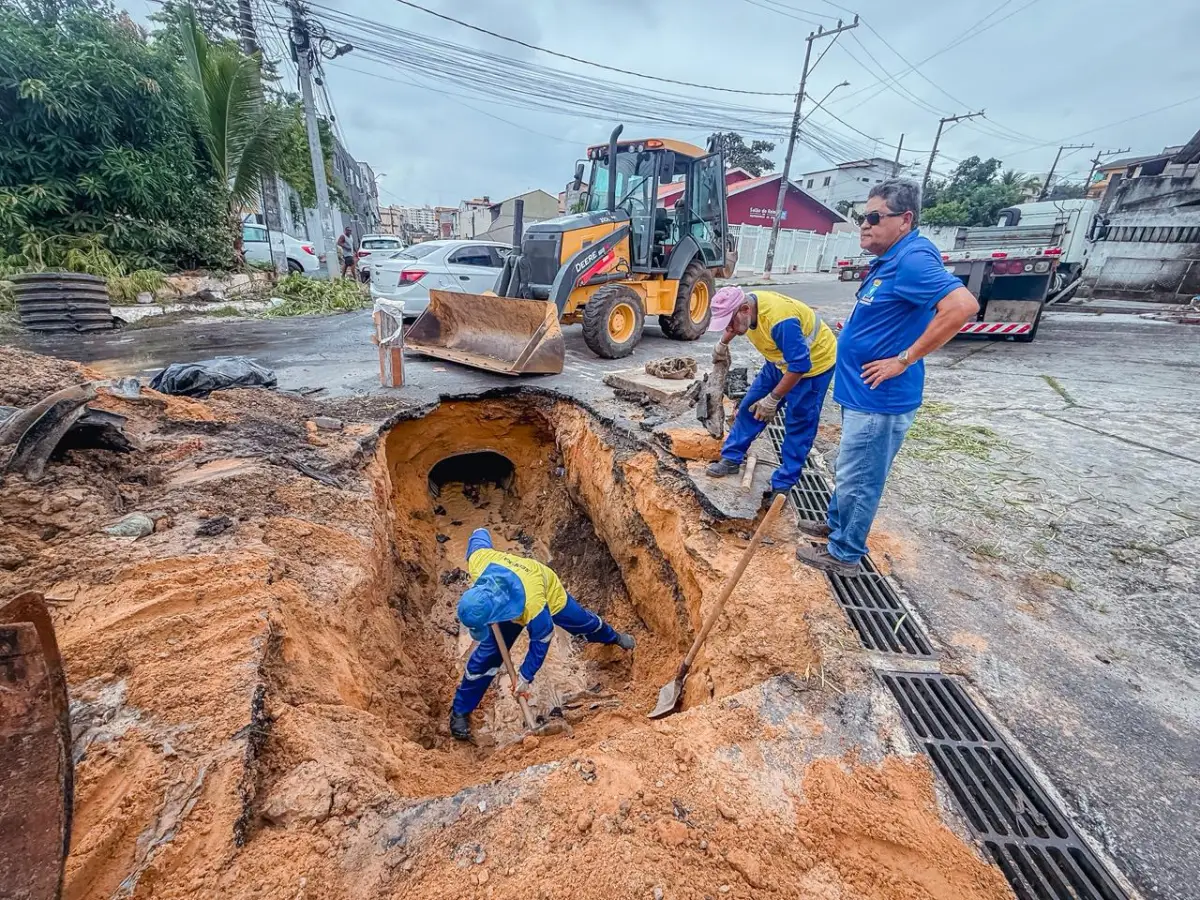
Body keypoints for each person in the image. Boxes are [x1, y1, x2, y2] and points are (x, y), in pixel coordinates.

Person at [794, 179, 979, 575]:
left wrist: (904, 359)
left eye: (875, 216)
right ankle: (838, 526)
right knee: (851, 469)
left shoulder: (912, 258)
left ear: (904, 219)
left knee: (861, 476)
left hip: (881, 399)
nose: (864, 224)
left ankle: (844, 554)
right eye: (863, 216)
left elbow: (961, 307)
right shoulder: (892, 258)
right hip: (862, 394)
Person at [449, 528, 635, 741]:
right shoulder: (480, 563)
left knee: (583, 622)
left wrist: (525, 676)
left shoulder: (535, 605)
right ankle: (460, 710)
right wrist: (480, 531)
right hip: (501, 605)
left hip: (546, 593)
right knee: (485, 658)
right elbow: (479, 534)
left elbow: (541, 639)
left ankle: (613, 637)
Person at [703, 286, 837, 499]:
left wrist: (773, 399)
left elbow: (800, 366)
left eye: (730, 322)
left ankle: (783, 484)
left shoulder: (780, 321)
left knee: (799, 423)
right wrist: (722, 344)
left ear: (745, 309)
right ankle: (731, 459)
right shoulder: (746, 311)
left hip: (813, 367)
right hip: (779, 362)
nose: (730, 328)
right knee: (749, 407)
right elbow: (732, 326)